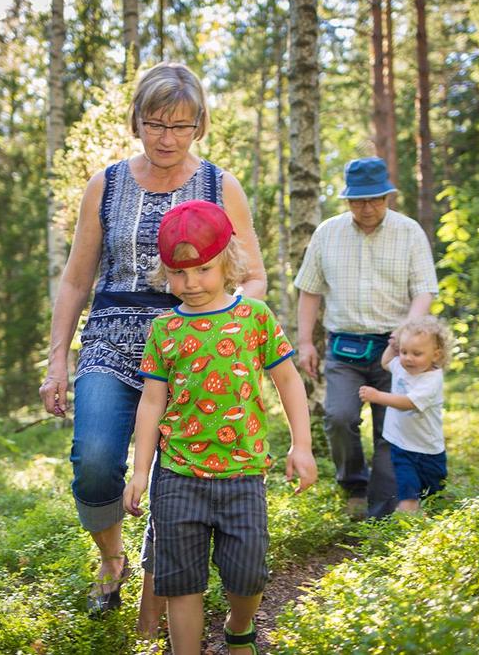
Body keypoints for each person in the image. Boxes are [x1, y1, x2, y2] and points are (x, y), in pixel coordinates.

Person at [38, 62, 266, 632]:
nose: (167, 137)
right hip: (111, 340)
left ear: (200, 126)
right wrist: (57, 360)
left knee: (176, 479)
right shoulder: (106, 184)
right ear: (136, 120)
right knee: (94, 463)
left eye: (181, 126)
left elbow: (254, 276)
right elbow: (75, 279)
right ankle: (111, 556)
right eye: (155, 123)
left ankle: (163, 583)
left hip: (192, 347)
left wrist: (226, 326)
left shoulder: (219, 185)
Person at [123, 201, 317, 655]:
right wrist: (139, 471)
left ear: (228, 261)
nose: (190, 283)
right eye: (177, 272)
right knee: (180, 581)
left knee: (249, 573)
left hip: (243, 472)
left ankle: (239, 626)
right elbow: (152, 403)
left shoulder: (254, 317)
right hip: (178, 475)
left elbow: (287, 381)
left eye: (202, 269)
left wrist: (301, 446)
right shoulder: (164, 329)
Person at [293, 156, 438, 520]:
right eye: (358, 200)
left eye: (375, 199)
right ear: (347, 199)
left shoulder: (409, 232)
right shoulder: (327, 232)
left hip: (396, 348)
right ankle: (354, 485)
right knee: (339, 417)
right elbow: (309, 291)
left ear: (387, 197)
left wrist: (407, 330)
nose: (367, 207)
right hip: (344, 347)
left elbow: (424, 290)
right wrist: (306, 342)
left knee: (392, 426)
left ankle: (382, 507)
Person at [358, 315, 453, 513]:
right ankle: (406, 532)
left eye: (416, 353)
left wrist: (377, 396)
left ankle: (434, 527)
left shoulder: (431, 381)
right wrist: (392, 347)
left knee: (433, 496)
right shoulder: (402, 366)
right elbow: (386, 363)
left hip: (429, 451)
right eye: (404, 351)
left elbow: (408, 403)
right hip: (402, 447)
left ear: (436, 355)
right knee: (407, 495)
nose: (408, 358)